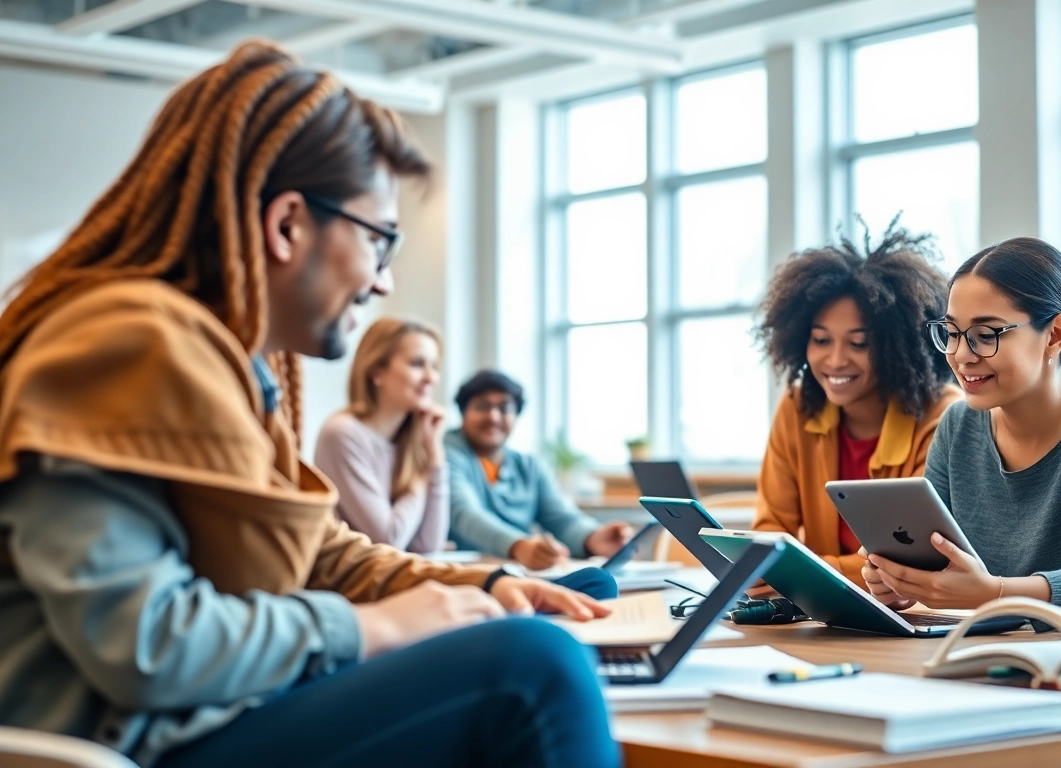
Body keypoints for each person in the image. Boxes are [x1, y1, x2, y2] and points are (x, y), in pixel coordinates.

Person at [0, 42, 620, 768]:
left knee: (571, 597)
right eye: (379, 241)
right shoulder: (125, 341)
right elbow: (146, 645)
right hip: (144, 746)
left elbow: (316, 552)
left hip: (204, 722)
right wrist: (377, 628)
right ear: (289, 224)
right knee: (533, 672)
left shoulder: (219, 357)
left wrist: (478, 582)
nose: (384, 282)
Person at [861, 236, 1061, 611]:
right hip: (984, 648)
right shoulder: (958, 425)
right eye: (953, 333)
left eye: (985, 335)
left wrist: (996, 593)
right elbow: (937, 559)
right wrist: (902, 580)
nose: (960, 356)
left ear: (1055, 334)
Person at [752, 221, 963, 588]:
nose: (834, 361)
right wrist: (772, 566)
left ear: (900, 347)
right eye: (820, 340)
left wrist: (796, 570)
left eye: (859, 344)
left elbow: (912, 556)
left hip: (909, 613)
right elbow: (771, 527)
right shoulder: (798, 407)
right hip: (821, 614)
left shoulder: (944, 416)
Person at [446, 370, 633, 573]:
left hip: (518, 575)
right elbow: (465, 515)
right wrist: (518, 545)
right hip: (462, 576)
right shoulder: (443, 454)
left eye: (504, 408)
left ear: (516, 415)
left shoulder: (529, 466)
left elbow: (561, 518)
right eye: (482, 407)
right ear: (463, 413)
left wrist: (593, 538)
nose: (493, 417)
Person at [313, 317, 449, 553]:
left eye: (434, 366)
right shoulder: (343, 434)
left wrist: (435, 456)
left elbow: (428, 546)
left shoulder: (413, 440)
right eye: (418, 364)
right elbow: (388, 540)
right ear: (376, 371)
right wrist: (424, 474)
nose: (431, 378)